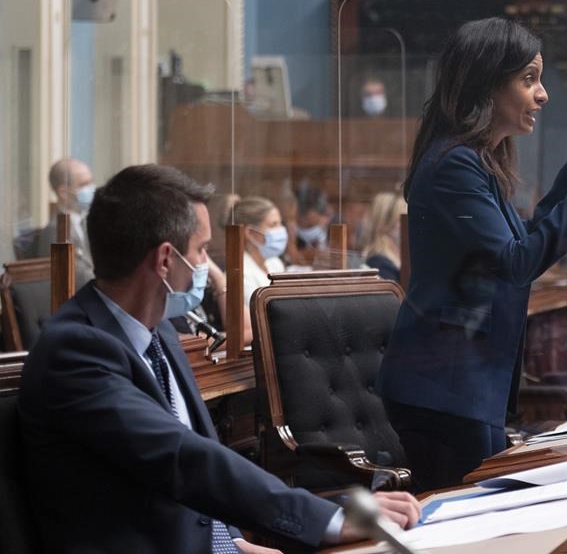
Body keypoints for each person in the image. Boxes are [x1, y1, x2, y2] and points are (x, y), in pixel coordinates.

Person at [18, 164, 420, 552]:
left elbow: (200, 461)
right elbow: (181, 458)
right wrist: (330, 520)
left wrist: (234, 541)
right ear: (164, 260)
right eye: (201, 250)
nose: (206, 265)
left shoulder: (159, 332)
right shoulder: (75, 351)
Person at [377, 17, 567, 491]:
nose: (543, 94)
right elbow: (518, 264)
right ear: (486, 84)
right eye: (529, 78)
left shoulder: (474, 161)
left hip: (464, 384)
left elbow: (520, 242)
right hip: (444, 387)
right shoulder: (454, 164)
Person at [17, 158, 96, 283]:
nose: (92, 188)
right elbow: (64, 279)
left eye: (91, 182)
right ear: (63, 192)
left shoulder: (84, 222)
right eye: (84, 184)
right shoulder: (56, 230)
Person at [227, 196, 287, 344]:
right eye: (273, 224)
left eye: (281, 223)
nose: (281, 230)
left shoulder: (275, 263)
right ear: (251, 233)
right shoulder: (241, 272)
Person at [361, 191, 406, 282]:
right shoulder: (379, 264)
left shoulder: (394, 259)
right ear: (385, 224)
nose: (406, 225)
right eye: (401, 220)